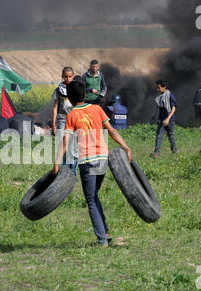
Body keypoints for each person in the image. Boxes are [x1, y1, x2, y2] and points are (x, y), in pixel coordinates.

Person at [53, 81, 133, 247]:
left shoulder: (72, 115)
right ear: (84, 95)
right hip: (102, 159)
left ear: (69, 97)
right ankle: (106, 232)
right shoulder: (97, 109)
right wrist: (126, 147)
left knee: (90, 199)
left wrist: (57, 161)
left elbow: (65, 139)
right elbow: (111, 130)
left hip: (88, 162)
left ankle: (101, 239)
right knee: (94, 196)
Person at [150, 80, 178, 159]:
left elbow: (173, 108)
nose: (157, 89)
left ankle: (175, 151)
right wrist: (154, 115)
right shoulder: (161, 97)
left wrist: (168, 119)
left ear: (164, 87)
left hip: (169, 120)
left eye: (159, 88)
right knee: (159, 136)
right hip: (161, 120)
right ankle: (156, 153)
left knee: (171, 135)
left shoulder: (170, 96)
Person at [52, 66, 75, 136]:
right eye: (66, 76)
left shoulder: (77, 89)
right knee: (61, 142)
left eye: (70, 76)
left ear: (73, 76)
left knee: (74, 142)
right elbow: (55, 108)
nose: (68, 79)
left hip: (74, 119)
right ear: (62, 76)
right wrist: (53, 124)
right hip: (62, 119)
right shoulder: (58, 90)